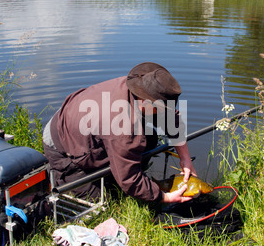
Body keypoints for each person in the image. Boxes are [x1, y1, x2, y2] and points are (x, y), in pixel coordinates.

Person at [43, 62, 196, 204]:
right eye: (163, 109)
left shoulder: (141, 88)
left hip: (87, 123)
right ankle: (64, 177)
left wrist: (185, 159)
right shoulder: (122, 128)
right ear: (146, 103)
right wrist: (165, 197)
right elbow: (129, 179)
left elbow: (171, 121)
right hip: (64, 145)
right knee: (106, 202)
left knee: (149, 139)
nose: (166, 113)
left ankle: (118, 168)